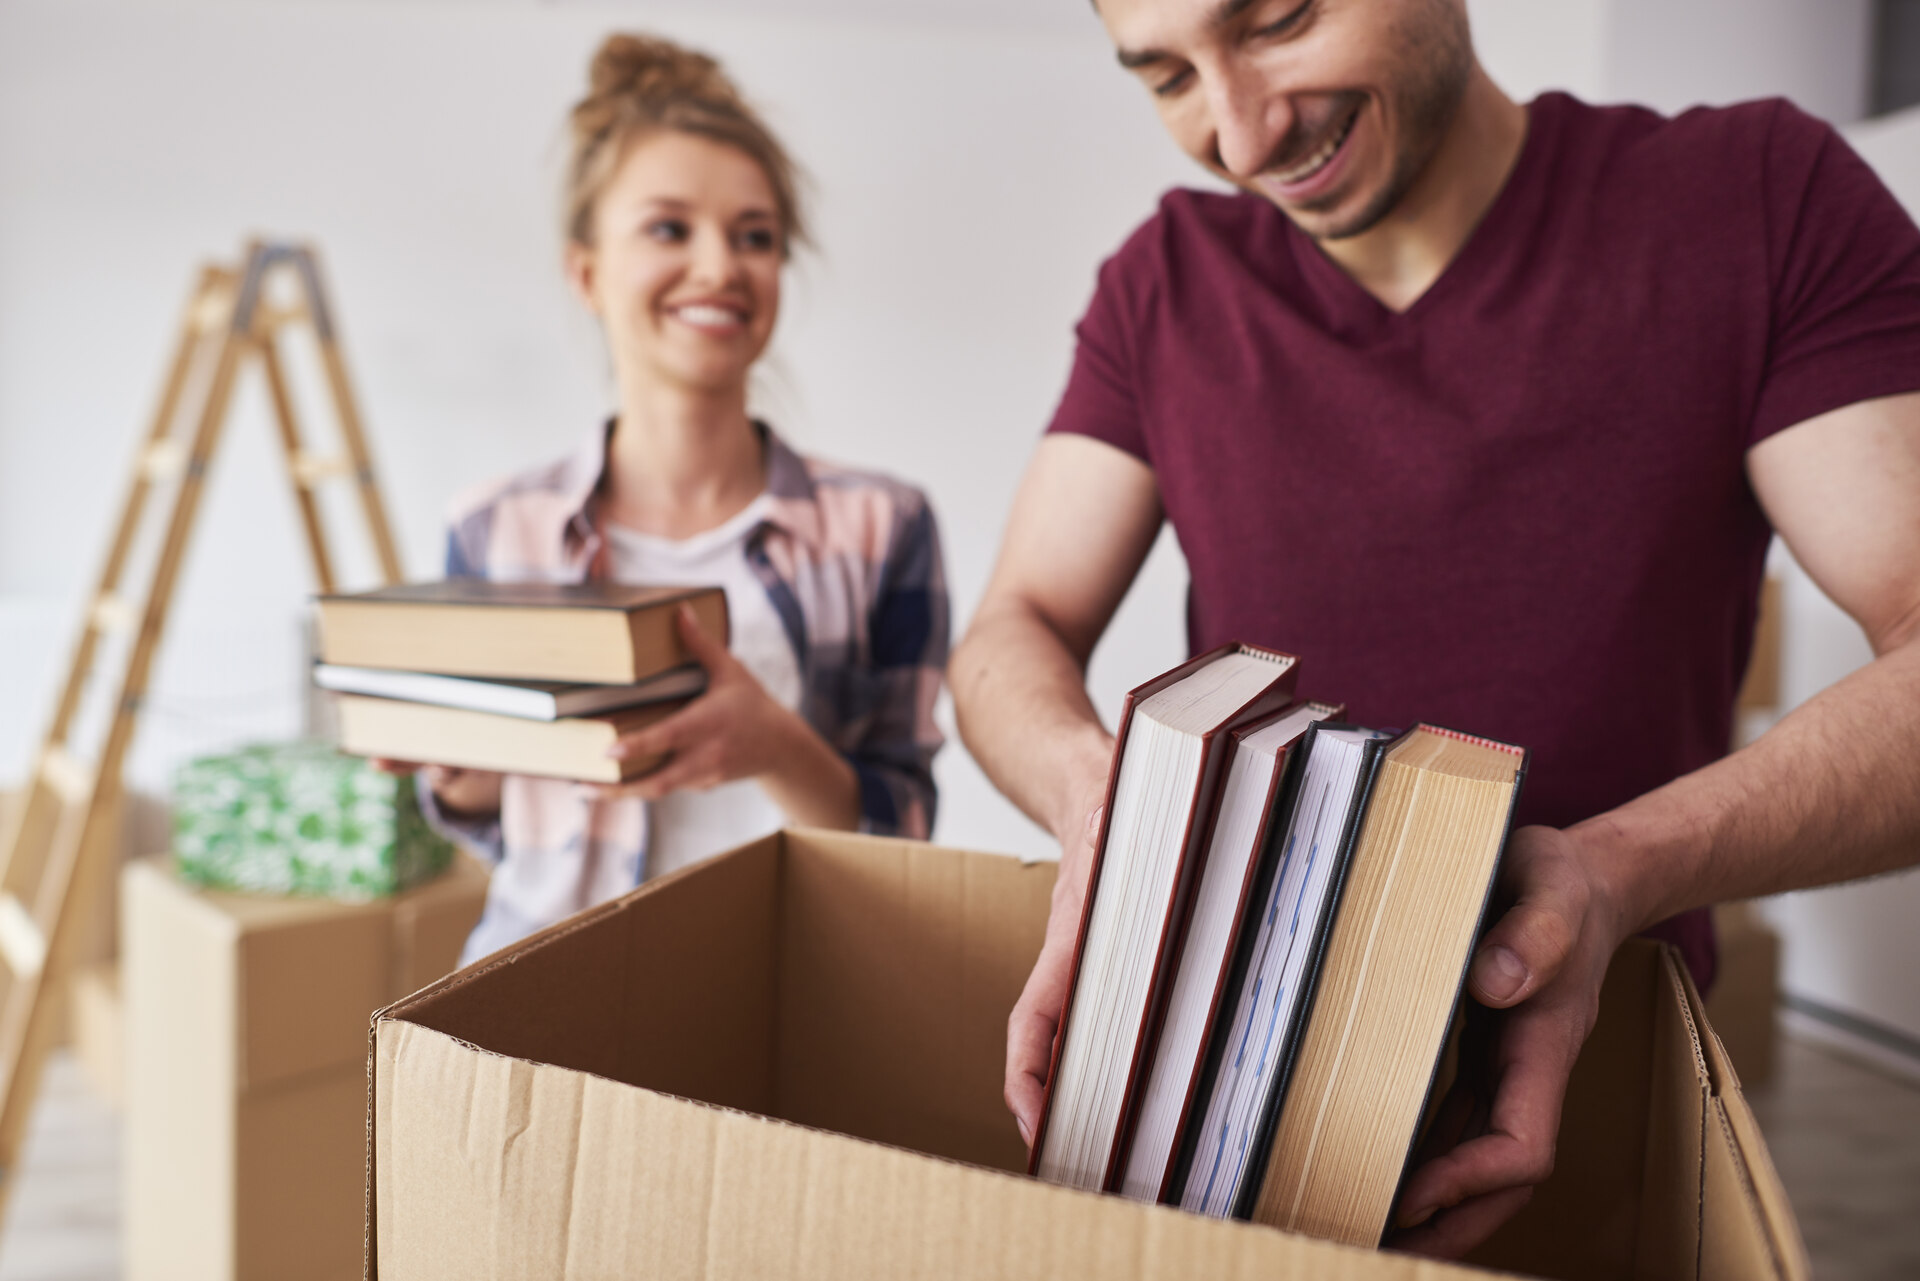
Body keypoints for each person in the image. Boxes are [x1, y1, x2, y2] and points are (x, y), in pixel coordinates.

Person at [949, 0, 1920, 1259]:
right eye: (1168, 76)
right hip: (1235, 1123)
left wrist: (1615, 871)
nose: (1240, 135)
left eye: (1280, 20)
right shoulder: (1166, 280)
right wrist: (1108, 810)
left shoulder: (1757, 197)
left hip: (1599, 1102)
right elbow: (1008, 631)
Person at [407, 33, 947, 964]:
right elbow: (492, 822)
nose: (718, 267)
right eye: (669, 228)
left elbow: (903, 834)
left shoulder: (882, 525)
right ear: (586, 274)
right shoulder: (496, 527)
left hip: (792, 995)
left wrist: (775, 744)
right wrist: (460, 773)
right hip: (545, 989)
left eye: (755, 236)